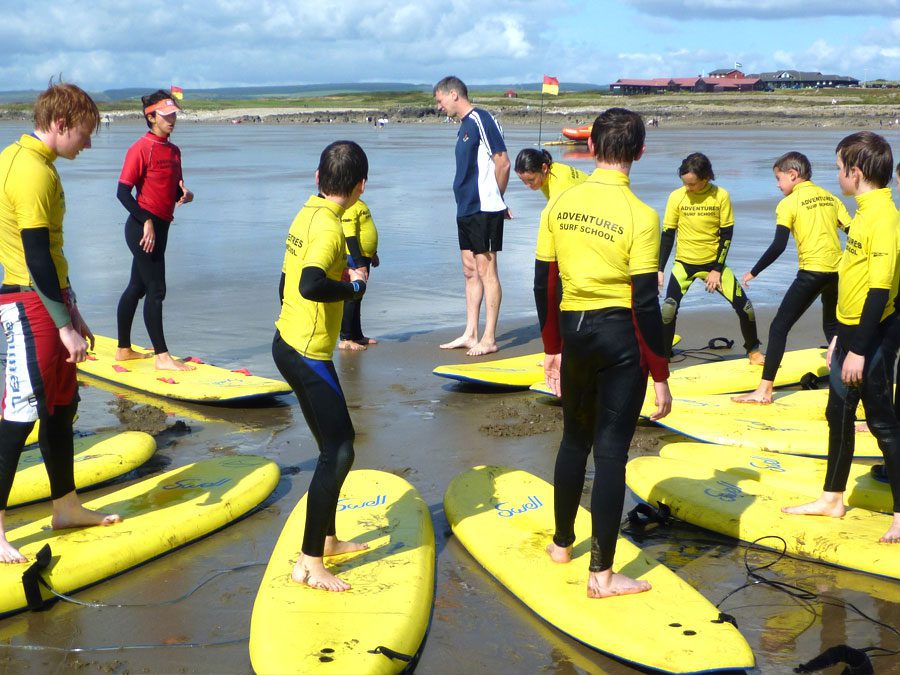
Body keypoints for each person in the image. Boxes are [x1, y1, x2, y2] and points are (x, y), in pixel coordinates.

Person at [539, 108, 672, 597]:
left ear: (591, 147)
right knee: (611, 451)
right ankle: (602, 575)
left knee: (574, 439)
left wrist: (552, 347)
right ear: (639, 152)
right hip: (619, 338)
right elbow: (644, 301)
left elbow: (545, 281)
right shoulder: (642, 215)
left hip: (574, 332)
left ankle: (560, 545)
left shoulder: (560, 204)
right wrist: (660, 371)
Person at [0, 82, 121, 563]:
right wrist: (62, 322)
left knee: (61, 407)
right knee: (17, 418)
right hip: (29, 307)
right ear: (60, 124)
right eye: (85, 134)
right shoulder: (32, 173)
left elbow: (51, 253)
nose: (88, 144)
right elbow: (34, 256)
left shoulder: (33, 162)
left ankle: (65, 505)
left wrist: (72, 312)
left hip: (48, 303)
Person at [782, 132, 900, 544]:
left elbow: (880, 290)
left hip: (875, 336)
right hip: (853, 333)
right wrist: (841, 338)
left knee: (883, 423)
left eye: (838, 169)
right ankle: (833, 497)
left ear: (856, 171)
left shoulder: (883, 217)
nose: (836, 176)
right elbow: (855, 282)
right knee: (838, 413)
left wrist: (860, 350)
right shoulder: (863, 212)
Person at [272, 140, 370, 591]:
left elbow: (285, 279)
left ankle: (327, 539)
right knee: (341, 447)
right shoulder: (330, 229)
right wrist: (352, 291)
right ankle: (311, 561)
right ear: (360, 187)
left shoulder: (307, 213)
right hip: (306, 353)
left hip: (288, 341)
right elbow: (310, 284)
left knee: (331, 445)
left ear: (318, 177)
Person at [732, 152, 851, 404]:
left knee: (779, 327)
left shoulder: (788, 204)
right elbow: (854, 232)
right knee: (832, 327)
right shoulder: (830, 197)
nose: (777, 184)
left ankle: (764, 390)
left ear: (793, 175)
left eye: (778, 178)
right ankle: (851, 382)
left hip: (811, 273)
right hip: (838, 272)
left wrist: (754, 271)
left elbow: (778, 245)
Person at [114, 90, 194, 371]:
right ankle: (162, 357)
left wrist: (184, 195)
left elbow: (170, 191)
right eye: (166, 115)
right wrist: (145, 220)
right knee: (156, 289)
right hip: (140, 229)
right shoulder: (140, 148)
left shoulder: (173, 151)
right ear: (151, 117)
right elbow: (123, 193)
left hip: (161, 227)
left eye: (174, 115)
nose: (172, 120)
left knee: (137, 287)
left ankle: (123, 350)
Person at [659, 152, 763, 363]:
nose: (688, 188)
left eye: (692, 184)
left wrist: (716, 269)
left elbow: (726, 235)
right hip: (684, 264)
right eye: (685, 183)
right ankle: (663, 354)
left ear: (706, 178)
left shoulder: (720, 196)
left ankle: (753, 350)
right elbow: (668, 234)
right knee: (669, 308)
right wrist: (660, 269)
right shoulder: (676, 197)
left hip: (713, 264)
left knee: (746, 309)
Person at [433, 76, 510, 356]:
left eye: (440, 101)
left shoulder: (481, 119)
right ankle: (470, 333)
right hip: (465, 208)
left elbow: (502, 162)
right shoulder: (464, 126)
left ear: (454, 94)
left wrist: (499, 201)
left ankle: (489, 338)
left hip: (484, 209)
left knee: (487, 270)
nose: (439, 107)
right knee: (469, 270)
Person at [515, 148, 587, 332]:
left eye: (531, 180)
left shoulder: (560, 184)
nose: (528, 186)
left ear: (544, 168)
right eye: (523, 181)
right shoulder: (551, 174)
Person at [338, 198, 379, 351]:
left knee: (358, 297)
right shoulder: (348, 206)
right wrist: (360, 264)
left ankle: (357, 335)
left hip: (364, 256)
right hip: (353, 258)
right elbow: (350, 237)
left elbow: (364, 229)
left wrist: (372, 253)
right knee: (351, 297)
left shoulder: (359, 202)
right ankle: (346, 338)